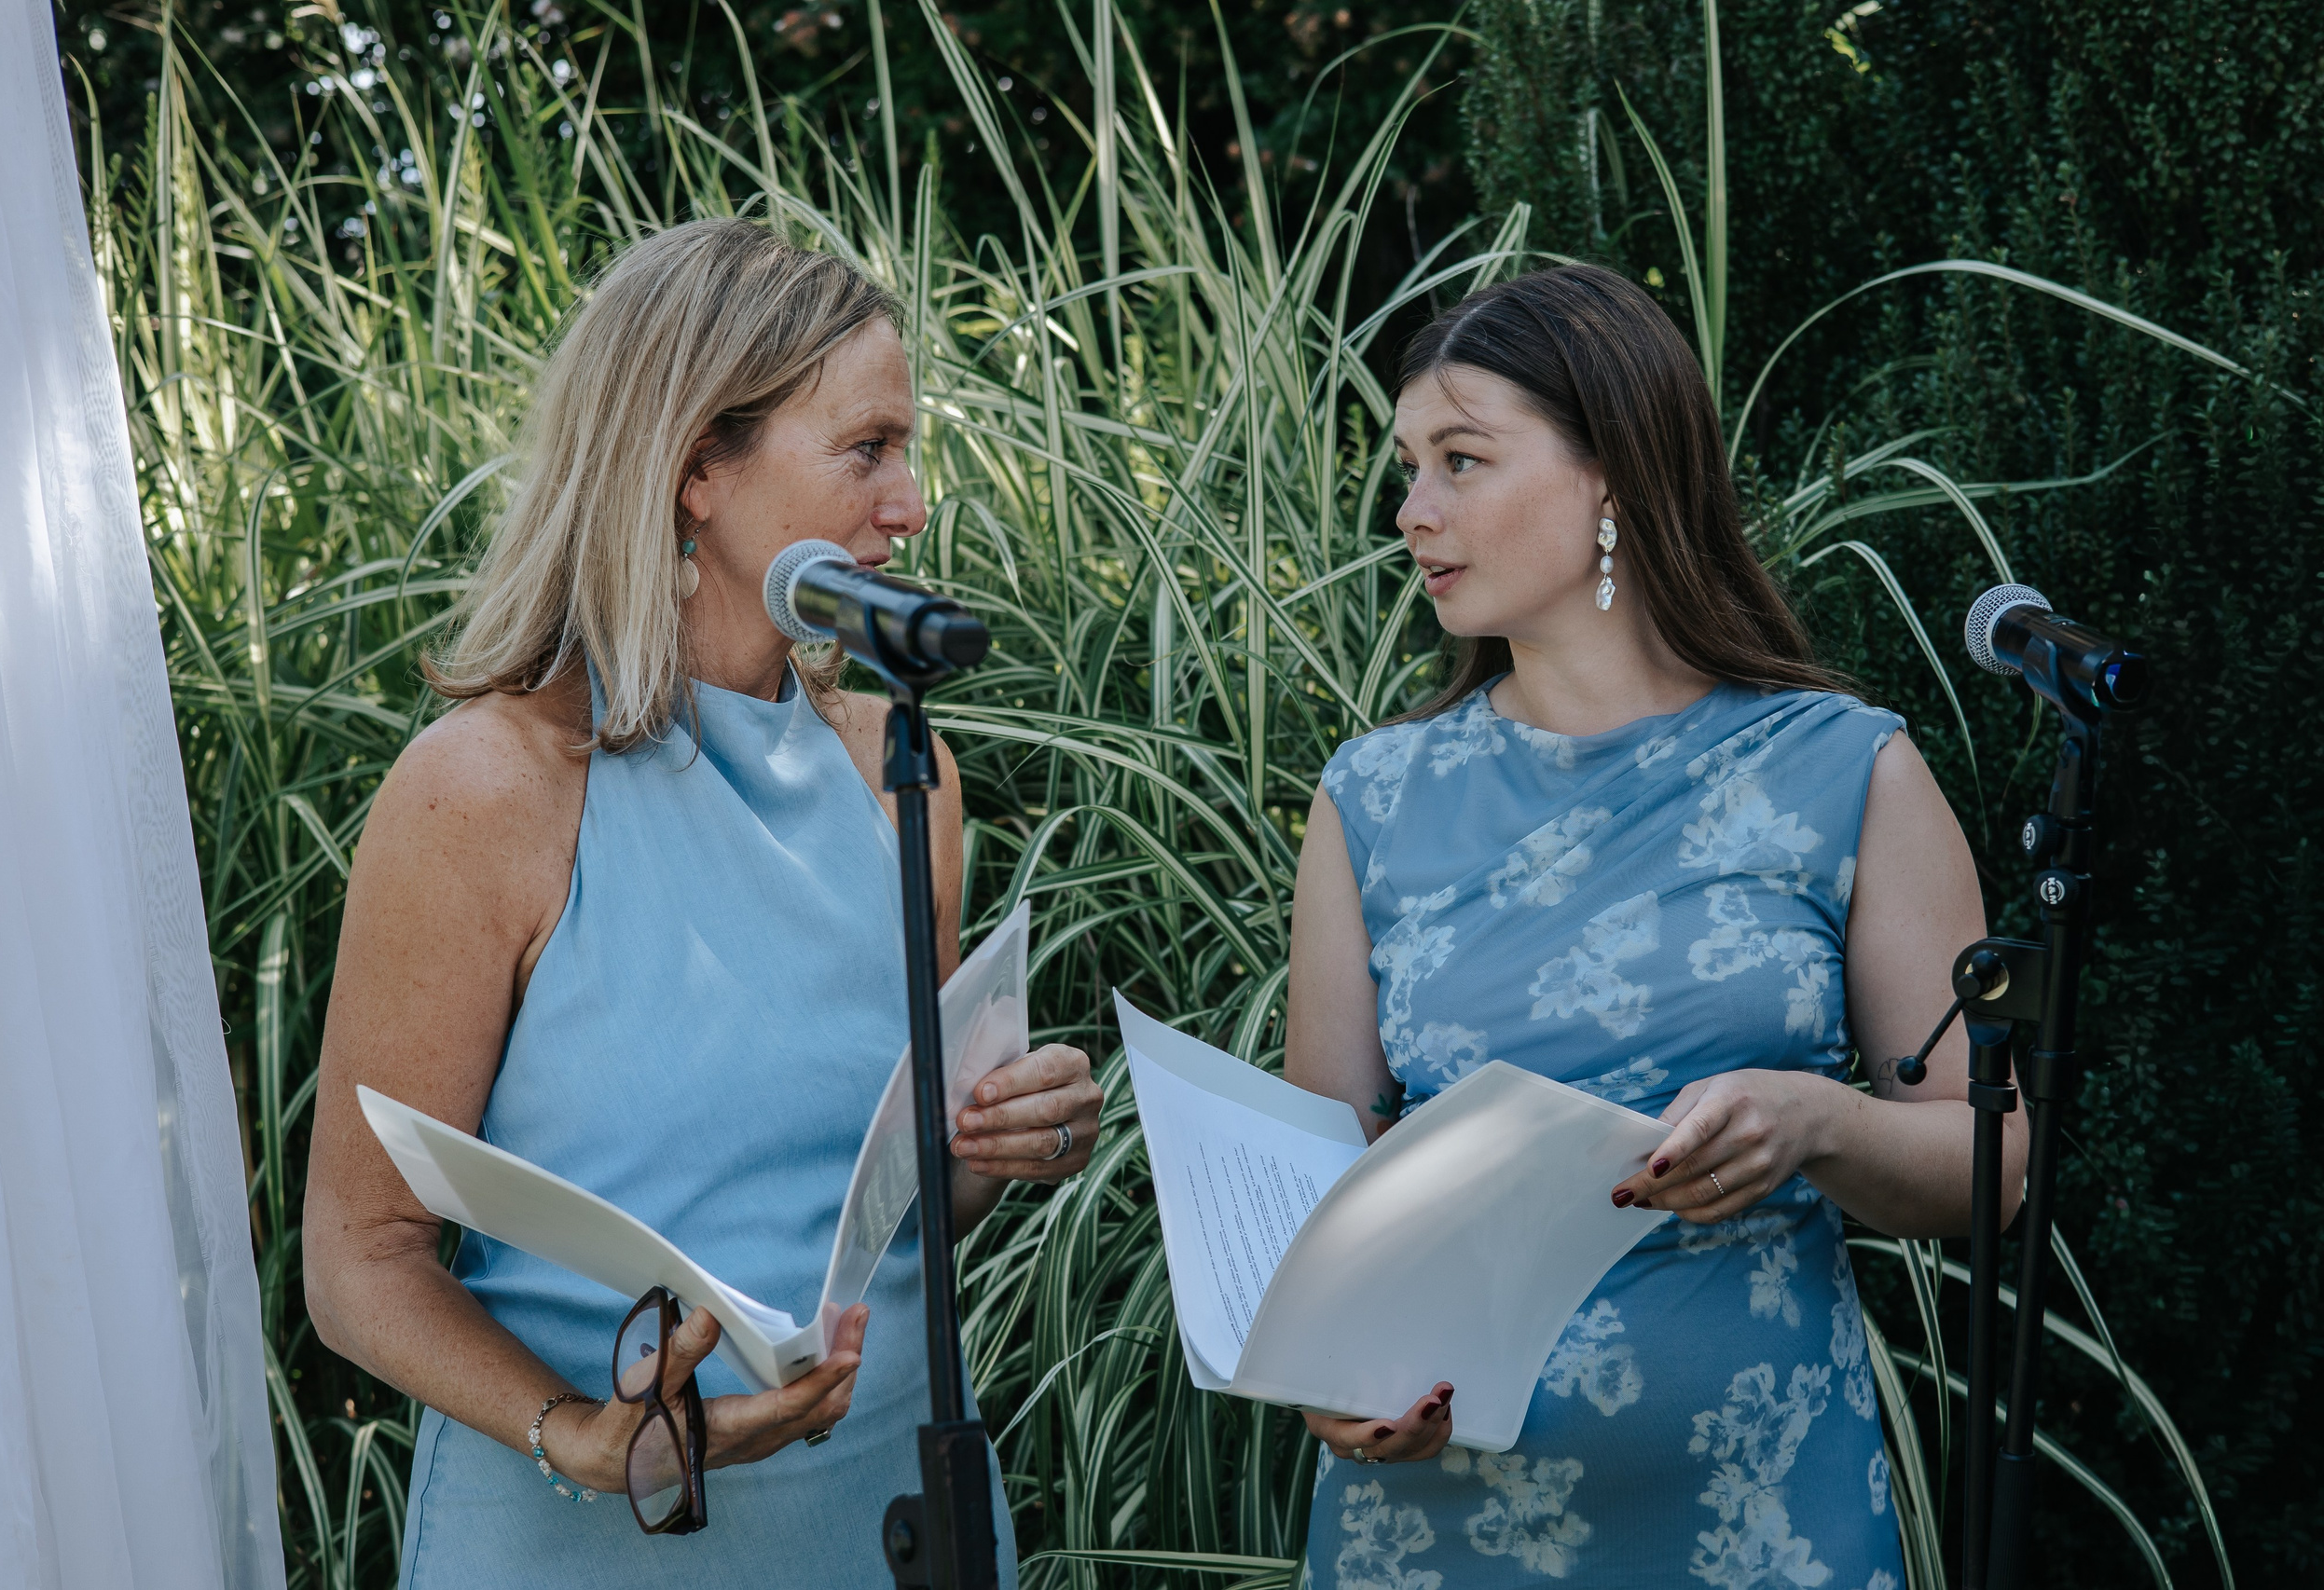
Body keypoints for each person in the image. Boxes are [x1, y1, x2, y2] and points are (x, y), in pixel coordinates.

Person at [301, 218, 1102, 1588]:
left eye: (909, 451)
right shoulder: (484, 791)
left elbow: (900, 1197)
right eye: (867, 449)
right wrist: (582, 1435)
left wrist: (1009, 1134)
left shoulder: (900, 769)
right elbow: (360, 1255)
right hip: (594, 1537)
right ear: (694, 473)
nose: (909, 504)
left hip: (892, 1517)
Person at [1283, 264, 2025, 1590]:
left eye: (1461, 460)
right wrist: (1328, 1382)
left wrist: (1821, 1120)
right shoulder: (1375, 797)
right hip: (1434, 1538)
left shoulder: (1847, 768)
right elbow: (1318, 1186)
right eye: (1407, 466)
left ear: (1613, 472)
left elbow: (2000, 1158)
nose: (1412, 512)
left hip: (1763, 1517)